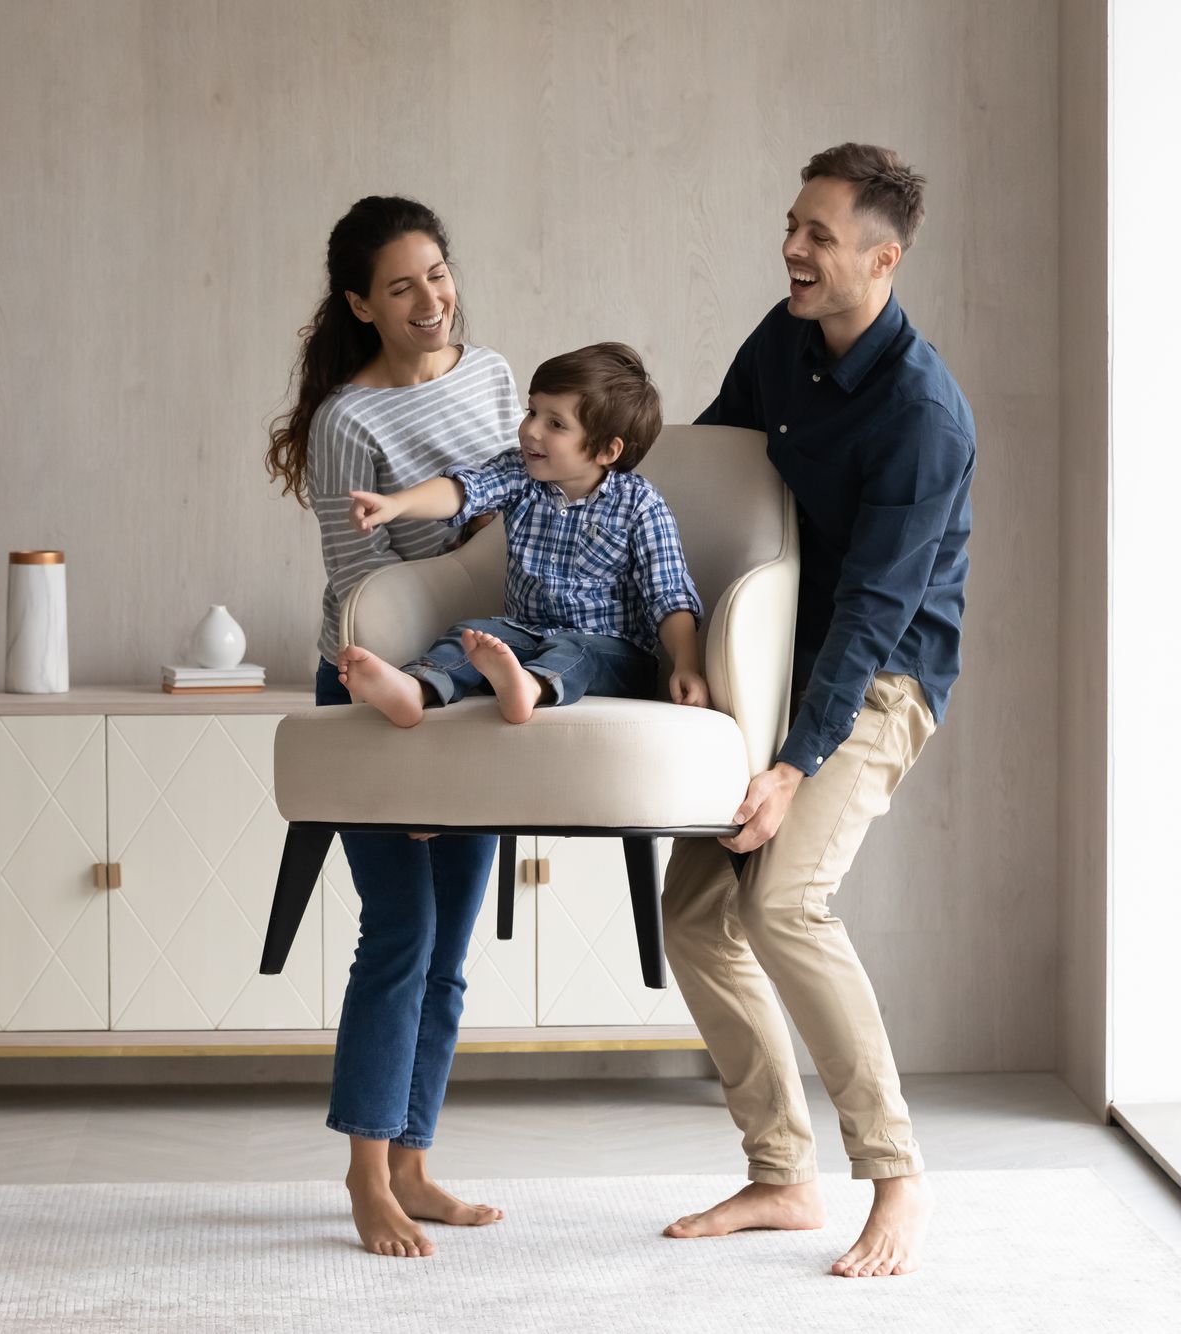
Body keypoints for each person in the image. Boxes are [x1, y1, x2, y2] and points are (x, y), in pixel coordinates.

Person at [658, 142, 976, 1279]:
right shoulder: (781, 341)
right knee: (694, 914)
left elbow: (873, 616)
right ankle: (781, 1175)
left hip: (878, 679)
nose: (791, 247)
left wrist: (792, 765)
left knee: (785, 900)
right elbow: (705, 476)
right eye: (793, 224)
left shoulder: (924, 416)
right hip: (768, 664)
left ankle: (896, 1174)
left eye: (819, 236)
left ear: (882, 260)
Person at [265, 194, 515, 1259]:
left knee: (448, 947)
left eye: (438, 274)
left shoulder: (493, 376)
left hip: (473, 685)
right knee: (400, 933)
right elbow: (362, 588)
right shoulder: (347, 423)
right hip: (376, 690)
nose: (429, 300)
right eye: (401, 286)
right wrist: (408, 736)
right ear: (361, 304)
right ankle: (366, 1176)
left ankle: (414, 1164)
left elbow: (524, 511)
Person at [338, 342, 707, 726]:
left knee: (576, 649)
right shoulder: (520, 475)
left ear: (606, 450)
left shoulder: (640, 505)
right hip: (527, 636)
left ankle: (529, 688)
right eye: (532, 411)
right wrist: (397, 504)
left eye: (555, 424)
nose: (530, 430)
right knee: (470, 634)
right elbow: (465, 490)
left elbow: (668, 595)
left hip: (613, 653)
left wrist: (687, 665)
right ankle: (416, 689)